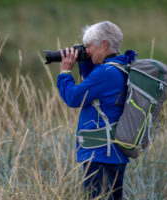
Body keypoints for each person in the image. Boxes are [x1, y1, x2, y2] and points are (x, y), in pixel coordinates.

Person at [56, 21, 136, 199]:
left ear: (105, 44)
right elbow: (94, 88)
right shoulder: (122, 68)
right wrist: (85, 61)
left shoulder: (106, 73)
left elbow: (74, 97)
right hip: (115, 152)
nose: (88, 50)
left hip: (99, 153)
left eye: (89, 46)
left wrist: (64, 73)